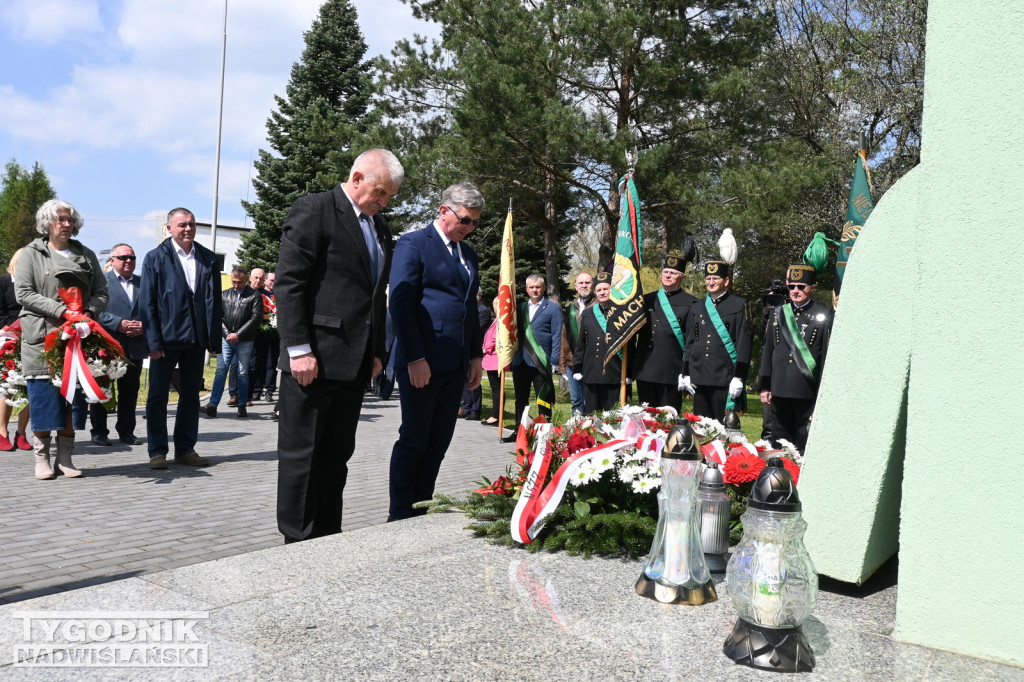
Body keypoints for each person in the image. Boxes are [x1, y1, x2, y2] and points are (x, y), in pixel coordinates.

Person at [276, 149, 403, 543]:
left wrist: (378, 351)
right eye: (380, 192)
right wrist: (298, 348)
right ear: (357, 176)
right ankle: (296, 541)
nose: (383, 202)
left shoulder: (378, 227)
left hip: (355, 361)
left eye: (388, 197)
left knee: (335, 458)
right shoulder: (315, 209)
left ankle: (328, 536)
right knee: (303, 458)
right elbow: (290, 282)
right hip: (312, 358)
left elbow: (374, 296)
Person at [388, 181, 484, 521]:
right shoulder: (413, 244)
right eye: (465, 220)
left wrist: (475, 356)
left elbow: (469, 310)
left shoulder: (467, 254)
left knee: (438, 442)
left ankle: (421, 507)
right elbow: (401, 304)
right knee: (414, 439)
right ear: (444, 211)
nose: (469, 228)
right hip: (422, 361)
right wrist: (414, 357)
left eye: (474, 222)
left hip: (455, 363)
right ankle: (399, 514)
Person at [16, 199, 108, 480]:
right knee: (43, 398)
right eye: (60, 220)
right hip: (43, 338)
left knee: (74, 400)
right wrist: (62, 311)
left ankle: (65, 458)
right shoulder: (32, 253)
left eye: (70, 220)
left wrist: (88, 313)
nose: (66, 224)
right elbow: (24, 293)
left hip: (79, 338)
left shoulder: (87, 254)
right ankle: (41, 457)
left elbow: (102, 292)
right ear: (47, 223)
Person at [139, 207, 223, 470]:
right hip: (165, 341)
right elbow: (147, 303)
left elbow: (214, 302)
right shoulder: (155, 258)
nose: (187, 229)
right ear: (170, 228)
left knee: (190, 397)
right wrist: (152, 343)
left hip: (196, 340)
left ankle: (186, 449)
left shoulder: (208, 258)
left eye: (191, 224)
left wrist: (213, 341)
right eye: (182, 224)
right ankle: (157, 452)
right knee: (157, 397)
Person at [758, 262, 834, 453]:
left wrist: (823, 392)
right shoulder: (778, 313)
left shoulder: (824, 315)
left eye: (801, 287)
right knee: (779, 441)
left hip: (806, 390)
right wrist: (765, 385)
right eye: (791, 287)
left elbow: (825, 356)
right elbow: (769, 351)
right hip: (779, 388)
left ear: (812, 288)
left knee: (803, 441)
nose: (796, 291)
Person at [681, 259, 752, 422]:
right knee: (701, 427)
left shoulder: (740, 305)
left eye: (715, 278)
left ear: (726, 281)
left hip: (725, 376)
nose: (711, 282)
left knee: (723, 429)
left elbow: (744, 342)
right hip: (699, 375)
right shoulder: (697, 306)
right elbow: (690, 342)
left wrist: (739, 376)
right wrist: (685, 372)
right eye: (708, 278)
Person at [90, 243, 146, 446]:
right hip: (107, 344)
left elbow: (153, 310)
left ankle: (126, 431)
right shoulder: (101, 283)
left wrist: (144, 326)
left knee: (130, 391)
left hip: (135, 345)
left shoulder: (144, 283)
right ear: (112, 260)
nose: (129, 261)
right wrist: (118, 323)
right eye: (123, 257)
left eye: (132, 257)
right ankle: (99, 432)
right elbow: (94, 310)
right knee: (103, 389)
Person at [632, 255, 698, 413]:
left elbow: (691, 342)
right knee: (647, 420)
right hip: (645, 369)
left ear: (683, 277)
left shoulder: (692, 303)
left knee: (668, 421)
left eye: (673, 273)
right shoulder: (646, 300)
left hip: (672, 371)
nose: (668, 275)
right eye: (665, 271)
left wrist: (686, 371)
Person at [201, 266, 262, 418]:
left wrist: (238, 335)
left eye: (239, 282)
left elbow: (256, 319)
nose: (236, 285)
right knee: (221, 370)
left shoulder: (254, 296)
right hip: (226, 339)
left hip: (245, 340)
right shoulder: (225, 295)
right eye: (233, 282)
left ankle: (242, 405)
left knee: (242, 373)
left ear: (246, 280)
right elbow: (219, 317)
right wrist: (229, 334)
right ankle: (213, 405)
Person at [512, 274, 561, 422]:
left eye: (538, 287)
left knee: (543, 399)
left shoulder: (553, 309)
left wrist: (554, 361)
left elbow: (557, 336)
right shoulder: (520, 308)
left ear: (544, 288)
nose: (535, 290)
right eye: (531, 287)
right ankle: (519, 431)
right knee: (520, 399)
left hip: (541, 360)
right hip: (520, 360)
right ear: (527, 289)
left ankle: (544, 432)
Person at [573, 271, 624, 413]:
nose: (602, 293)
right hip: (591, 371)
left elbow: (629, 345)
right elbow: (581, 342)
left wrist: (629, 372)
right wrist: (577, 367)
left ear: (612, 290)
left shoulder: (622, 313)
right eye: (599, 290)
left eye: (605, 289)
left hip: (613, 372)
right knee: (591, 415)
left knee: (612, 417)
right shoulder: (588, 313)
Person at [0, 248, 31, 451]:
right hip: (8, 338)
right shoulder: (3, 281)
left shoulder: (34, 285)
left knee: (29, 388)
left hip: (32, 339)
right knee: (7, 387)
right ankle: (2, 432)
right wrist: (12, 327)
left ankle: (21, 433)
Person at [562, 271, 593, 415]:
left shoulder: (599, 305)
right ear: (575, 286)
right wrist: (562, 364)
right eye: (581, 283)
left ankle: (589, 431)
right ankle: (576, 433)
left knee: (589, 400)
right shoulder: (570, 308)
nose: (584, 286)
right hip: (572, 362)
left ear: (592, 285)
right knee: (576, 401)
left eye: (587, 283)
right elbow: (564, 337)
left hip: (591, 361)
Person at [459, 291, 492, 420]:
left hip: (474, 349)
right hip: (464, 348)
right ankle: (467, 407)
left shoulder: (483, 311)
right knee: (465, 379)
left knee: (473, 379)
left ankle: (475, 409)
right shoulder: (466, 308)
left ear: (478, 296)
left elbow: (476, 329)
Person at [480, 297, 502, 426]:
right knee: (495, 388)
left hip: (494, 358)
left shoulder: (501, 321)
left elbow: (494, 338)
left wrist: (485, 348)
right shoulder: (496, 320)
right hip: (491, 358)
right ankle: (496, 414)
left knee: (496, 388)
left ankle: (496, 415)